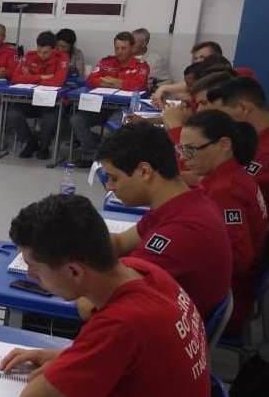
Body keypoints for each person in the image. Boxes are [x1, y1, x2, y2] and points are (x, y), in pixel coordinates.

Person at [0, 193, 211, 397]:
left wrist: (58, 372)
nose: (30, 275)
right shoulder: (145, 272)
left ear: (74, 271)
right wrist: (64, 360)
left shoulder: (121, 325)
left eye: (34, 268)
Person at [93, 123, 232, 320]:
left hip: (156, 328)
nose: (109, 186)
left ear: (144, 171)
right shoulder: (182, 202)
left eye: (114, 178)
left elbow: (93, 303)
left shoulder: (180, 231)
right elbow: (120, 242)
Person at [180, 110, 268, 335]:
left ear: (224, 145)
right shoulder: (232, 175)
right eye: (182, 149)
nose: (183, 158)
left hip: (227, 299)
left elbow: (240, 259)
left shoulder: (225, 191)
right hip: (231, 291)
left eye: (191, 150)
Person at [69, 31, 149, 167]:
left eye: (123, 48)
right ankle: (92, 155)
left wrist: (111, 81)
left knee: (110, 127)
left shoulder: (141, 66)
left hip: (124, 109)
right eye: (117, 48)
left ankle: (104, 158)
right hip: (100, 106)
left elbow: (138, 85)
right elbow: (91, 80)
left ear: (131, 48)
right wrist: (117, 83)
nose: (119, 51)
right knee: (76, 120)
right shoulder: (106, 62)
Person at [206, 77, 269, 202]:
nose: (215, 123)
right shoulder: (245, 140)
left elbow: (238, 190)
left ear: (243, 108)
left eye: (220, 116)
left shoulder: (264, 153)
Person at [8, 31, 69, 160]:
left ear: (54, 49)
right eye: (39, 51)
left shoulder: (62, 58)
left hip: (51, 102)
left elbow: (58, 81)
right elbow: (15, 78)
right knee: (13, 113)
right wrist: (41, 77)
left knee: (50, 117)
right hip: (30, 100)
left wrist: (29, 77)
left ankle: (44, 147)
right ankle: (30, 143)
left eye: (45, 52)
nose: (41, 55)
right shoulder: (30, 56)